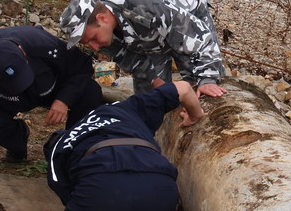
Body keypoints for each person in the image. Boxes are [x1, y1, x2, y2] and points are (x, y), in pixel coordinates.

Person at [0, 26, 103, 181]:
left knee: (90, 92)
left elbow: (82, 67)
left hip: (48, 89)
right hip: (4, 100)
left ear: (21, 51)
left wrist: (64, 100)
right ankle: (18, 138)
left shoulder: (42, 43)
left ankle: (75, 151)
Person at [59, 0, 227, 98]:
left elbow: (200, 38)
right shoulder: (100, 29)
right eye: (87, 43)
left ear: (102, 18)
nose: (94, 47)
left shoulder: (141, 4)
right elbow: (130, 59)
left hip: (184, 11)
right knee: (151, 99)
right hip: (148, 31)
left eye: (93, 39)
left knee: (200, 87)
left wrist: (208, 79)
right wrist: (155, 80)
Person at [44, 78, 204, 211]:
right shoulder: (129, 108)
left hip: (102, 186)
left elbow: (61, 185)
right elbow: (183, 88)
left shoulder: (62, 142)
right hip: (159, 183)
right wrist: (195, 116)